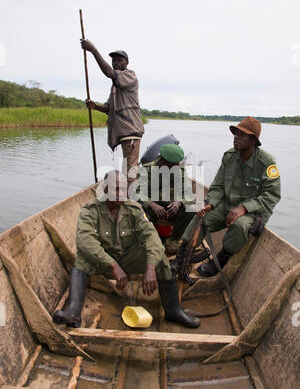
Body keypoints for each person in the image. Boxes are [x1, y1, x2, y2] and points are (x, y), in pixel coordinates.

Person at [53, 170, 199, 328]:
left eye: (123, 189)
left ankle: (173, 311)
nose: (120, 193)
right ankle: (74, 312)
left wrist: (150, 267)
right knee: (81, 259)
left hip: (128, 257)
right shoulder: (90, 210)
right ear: (106, 189)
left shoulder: (134, 209)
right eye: (116, 189)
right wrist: (113, 265)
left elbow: (152, 238)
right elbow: (85, 241)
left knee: (160, 260)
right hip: (104, 260)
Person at [171, 116, 281, 277]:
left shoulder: (266, 163)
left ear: (253, 140)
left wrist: (244, 208)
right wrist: (211, 204)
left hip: (251, 211)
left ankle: (220, 259)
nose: (236, 137)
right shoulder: (229, 156)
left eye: (242, 135)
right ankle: (181, 257)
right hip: (227, 205)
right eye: (236, 133)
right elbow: (218, 186)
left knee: (241, 226)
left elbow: (272, 195)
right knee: (201, 217)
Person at [80, 40, 144, 184]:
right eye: (113, 61)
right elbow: (109, 108)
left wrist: (93, 50)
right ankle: (127, 195)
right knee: (127, 170)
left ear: (126, 62)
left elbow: (110, 73)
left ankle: (130, 201)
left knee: (130, 171)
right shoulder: (115, 87)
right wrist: (95, 106)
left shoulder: (130, 76)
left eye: (119, 60)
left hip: (131, 131)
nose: (116, 63)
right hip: (124, 134)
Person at [135, 143, 196, 254]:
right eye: (173, 165)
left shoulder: (180, 171)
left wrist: (179, 203)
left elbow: (189, 195)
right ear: (163, 162)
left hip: (170, 207)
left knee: (191, 208)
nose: (176, 167)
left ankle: (173, 240)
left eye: (177, 164)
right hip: (151, 208)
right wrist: (151, 204)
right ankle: (149, 239)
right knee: (138, 211)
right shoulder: (146, 170)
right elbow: (137, 193)